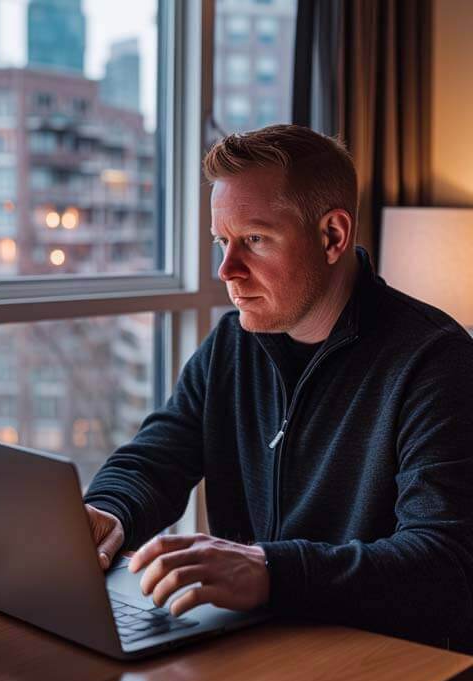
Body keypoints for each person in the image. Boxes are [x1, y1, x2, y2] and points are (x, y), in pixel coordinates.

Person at [82, 124, 473, 651]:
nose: (226, 269)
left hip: (383, 665)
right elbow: (157, 456)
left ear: (332, 235)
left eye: (255, 240)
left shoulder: (436, 362)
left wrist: (271, 570)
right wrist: (105, 514)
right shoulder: (232, 343)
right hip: (263, 647)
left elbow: (442, 564)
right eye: (223, 241)